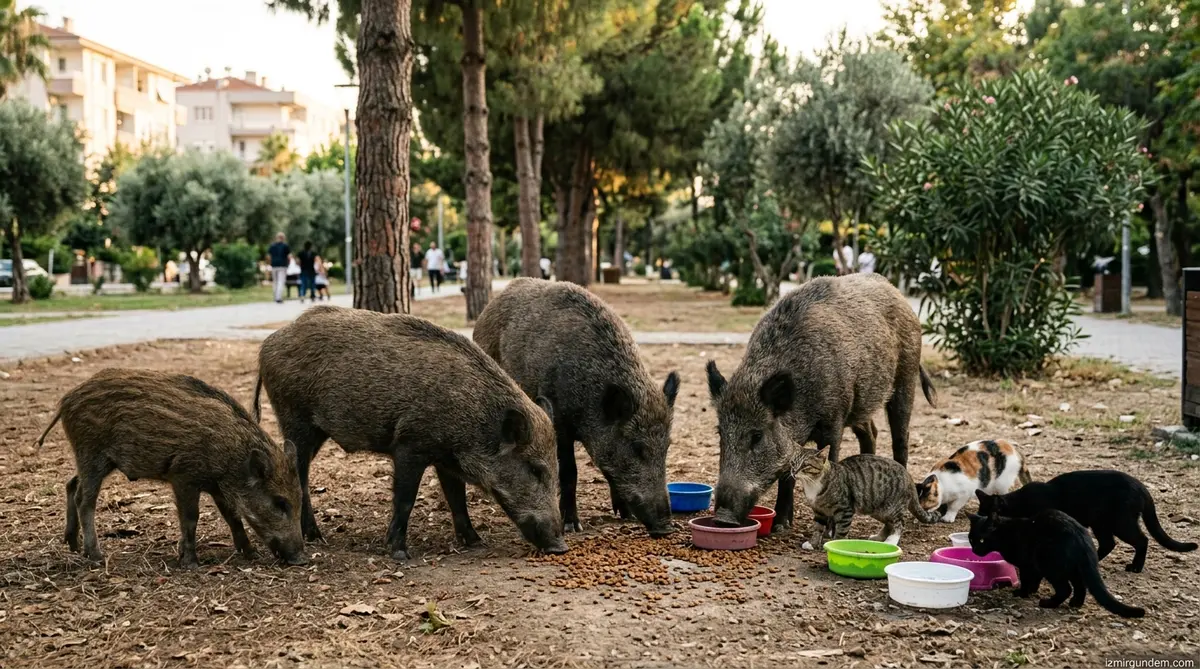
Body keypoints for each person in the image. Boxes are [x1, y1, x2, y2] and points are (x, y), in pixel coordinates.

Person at [268, 232, 290, 303]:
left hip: (274, 265)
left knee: (275, 282)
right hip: (282, 265)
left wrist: (270, 264)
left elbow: (269, 256)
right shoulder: (285, 246)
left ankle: (275, 297)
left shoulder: (272, 246)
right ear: (283, 238)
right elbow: (289, 257)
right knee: (281, 281)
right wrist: (288, 264)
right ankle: (278, 297)